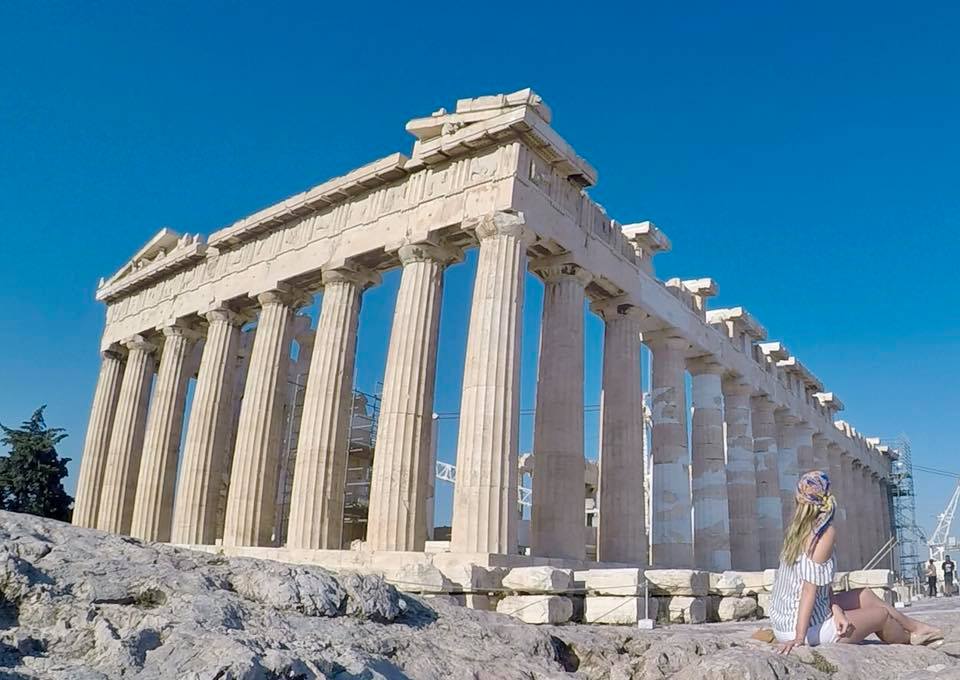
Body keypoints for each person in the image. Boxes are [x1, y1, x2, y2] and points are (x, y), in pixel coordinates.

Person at [769, 470, 943, 654]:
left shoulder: (795, 530)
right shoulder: (822, 533)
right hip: (804, 628)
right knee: (881, 616)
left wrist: (835, 609)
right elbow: (808, 590)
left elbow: (817, 582)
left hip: (783, 621)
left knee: (865, 595)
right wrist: (799, 638)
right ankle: (910, 641)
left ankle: (916, 627)